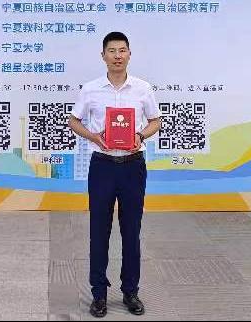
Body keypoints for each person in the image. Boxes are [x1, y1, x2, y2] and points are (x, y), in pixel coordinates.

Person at [68, 31, 162, 318]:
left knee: (131, 232)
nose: (117, 56)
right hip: (103, 167)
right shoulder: (90, 89)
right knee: (99, 232)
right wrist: (94, 137)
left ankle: (130, 291)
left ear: (129, 54)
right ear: (103, 55)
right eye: (112, 51)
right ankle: (99, 294)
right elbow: (74, 121)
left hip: (133, 166)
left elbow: (155, 121)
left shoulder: (143, 88)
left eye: (122, 50)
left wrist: (140, 135)